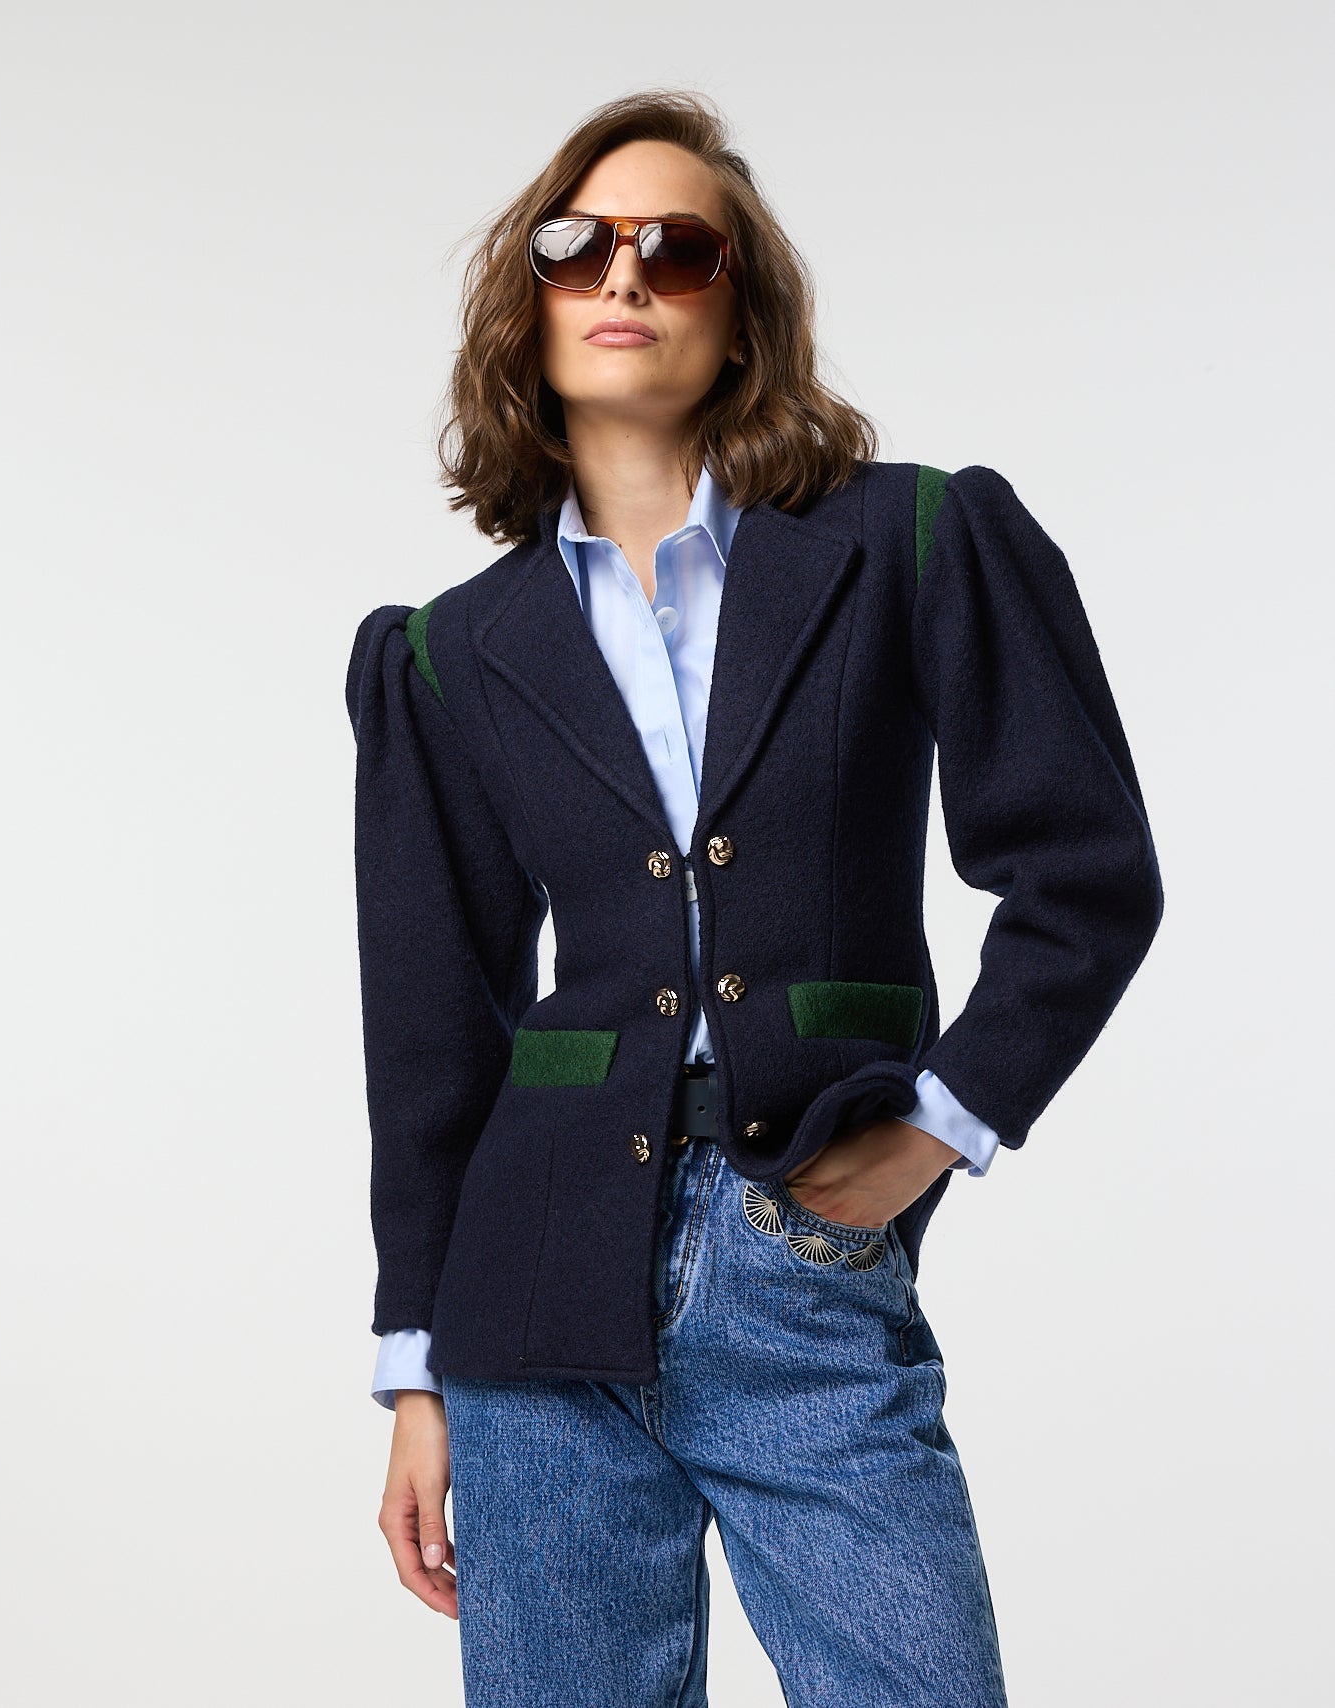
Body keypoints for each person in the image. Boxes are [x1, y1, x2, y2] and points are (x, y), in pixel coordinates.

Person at [345, 89, 1163, 1707]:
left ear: (745, 309)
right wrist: (413, 1369)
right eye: (576, 245)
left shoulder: (911, 539)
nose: (622, 275)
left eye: (677, 248)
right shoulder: (449, 652)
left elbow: (1085, 875)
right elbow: (431, 1035)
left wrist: (938, 1125)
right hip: (529, 1291)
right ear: (528, 299)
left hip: (800, 1246)